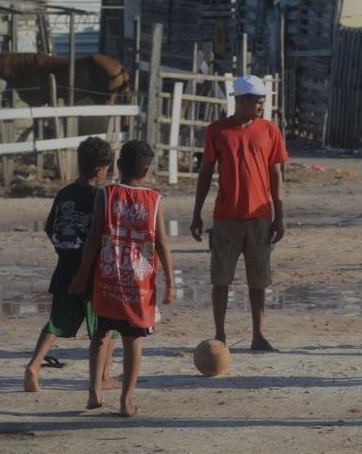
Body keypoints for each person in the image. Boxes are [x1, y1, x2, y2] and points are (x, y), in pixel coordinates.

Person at [70, 140, 174, 417]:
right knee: (132, 340)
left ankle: (94, 391)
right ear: (147, 169)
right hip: (139, 284)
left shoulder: (106, 194)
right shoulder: (155, 200)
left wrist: (82, 274)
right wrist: (172, 281)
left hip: (108, 277)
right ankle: (127, 401)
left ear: (118, 165)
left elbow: (93, 239)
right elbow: (162, 243)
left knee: (101, 333)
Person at [191, 75, 288, 351]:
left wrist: (279, 215)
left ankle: (259, 336)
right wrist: (197, 213)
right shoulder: (217, 131)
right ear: (241, 101)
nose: (261, 106)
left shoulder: (270, 131)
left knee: (259, 280)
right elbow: (206, 172)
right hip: (225, 217)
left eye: (262, 102)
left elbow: (276, 174)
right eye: (257, 102)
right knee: (221, 279)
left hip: (260, 217)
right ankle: (220, 335)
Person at [24, 137, 119, 393]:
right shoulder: (99, 197)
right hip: (92, 275)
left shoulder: (64, 193)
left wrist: (65, 251)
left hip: (65, 270)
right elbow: (100, 235)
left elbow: (49, 227)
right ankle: (104, 377)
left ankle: (33, 366)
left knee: (55, 324)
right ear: (101, 170)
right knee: (107, 328)